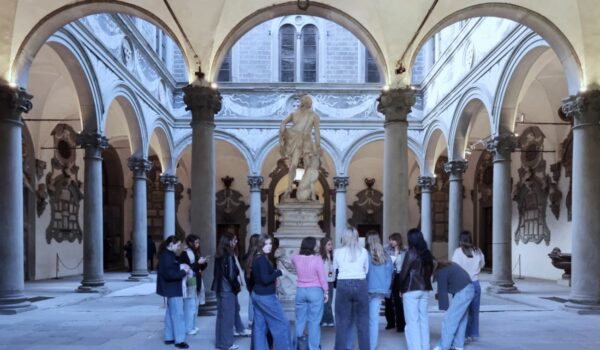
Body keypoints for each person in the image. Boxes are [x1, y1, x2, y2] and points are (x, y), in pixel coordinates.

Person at [251, 233, 291, 350]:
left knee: (260, 327)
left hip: (257, 295)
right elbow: (265, 279)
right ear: (260, 245)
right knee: (283, 323)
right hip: (265, 296)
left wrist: (273, 272)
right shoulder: (262, 259)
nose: (269, 246)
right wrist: (278, 272)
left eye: (270, 243)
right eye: (265, 244)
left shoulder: (257, 257)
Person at [397, 228, 435, 350]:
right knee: (423, 321)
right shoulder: (427, 253)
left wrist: (400, 289)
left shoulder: (411, 253)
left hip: (411, 289)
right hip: (425, 290)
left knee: (412, 323)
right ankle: (425, 347)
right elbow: (434, 265)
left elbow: (403, 273)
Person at [333, 226, 369, 350]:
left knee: (342, 322)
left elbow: (335, 269)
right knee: (363, 322)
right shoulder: (364, 251)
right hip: (360, 283)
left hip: (343, 284)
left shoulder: (337, 252)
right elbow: (366, 269)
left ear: (344, 237)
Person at [279, 95, 321, 198]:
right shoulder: (311, 115)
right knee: (302, 166)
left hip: (300, 140)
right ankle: (293, 188)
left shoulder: (298, 114)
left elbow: (283, 123)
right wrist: (317, 146)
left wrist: (282, 132)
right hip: (302, 140)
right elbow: (316, 133)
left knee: (299, 165)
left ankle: (296, 189)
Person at [292, 236, 328, 350]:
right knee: (314, 322)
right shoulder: (317, 259)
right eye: (316, 245)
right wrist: (326, 291)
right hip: (315, 291)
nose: (318, 247)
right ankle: (314, 348)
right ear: (312, 246)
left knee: (300, 321)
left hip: (300, 291)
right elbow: (322, 277)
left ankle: (298, 347)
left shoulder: (295, 258)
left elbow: (293, 259)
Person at [156, 235, 190, 349]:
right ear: (171, 244)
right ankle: (179, 340)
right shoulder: (166, 256)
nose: (179, 247)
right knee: (178, 315)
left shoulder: (169, 255)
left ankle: (169, 337)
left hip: (171, 288)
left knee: (171, 314)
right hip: (172, 288)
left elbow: (173, 267)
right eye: (178, 245)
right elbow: (169, 274)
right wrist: (183, 272)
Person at [432, 261, 475, 350]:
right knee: (461, 319)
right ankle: (458, 345)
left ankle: (444, 346)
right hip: (469, 289)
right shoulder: (449, 265)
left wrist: (445, 309)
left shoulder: (440, 272)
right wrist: (440, 295)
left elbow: (443, 293)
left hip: (463, 292)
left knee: (449, 319)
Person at [451, 230, 485, 343]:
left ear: (461, 240)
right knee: (474, 311)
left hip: (462, 283)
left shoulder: (458, 251)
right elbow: (483, 264)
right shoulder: (477, 251)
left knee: (461, 311)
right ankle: (472, 333)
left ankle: (463, 335)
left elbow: (454, 268)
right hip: (475, 283)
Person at [212, 233, 241, 350]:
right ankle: (227, 344)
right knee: (228, 319)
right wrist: (237, 286)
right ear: (228, 242)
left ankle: (219, 343)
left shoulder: (219, 254)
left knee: (221, 317)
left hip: (219, 288)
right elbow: (231, 275)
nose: (235, 242)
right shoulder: (229, 255)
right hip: (227, 290)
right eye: (234, 240)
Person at [366, 231, 393, 350]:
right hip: (380, 290)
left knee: (362, 318)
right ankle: (372, 346)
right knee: (374, 319)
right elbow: (390, 274)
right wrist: (386, 288)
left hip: (366, 289)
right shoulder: (386, 256)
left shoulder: (365, 254)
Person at [179, 234, 208, 336]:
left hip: (197, 279)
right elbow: (186, 268)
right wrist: (198, 263)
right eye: (196, 242)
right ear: (190, 243)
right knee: (190, 305)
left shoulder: (196, 252)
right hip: (190, 280)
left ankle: (192, 326)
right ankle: (188, 328)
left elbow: (199, 267)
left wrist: (203, 263)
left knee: (195, 305)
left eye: (198, 242)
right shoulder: (185, 254)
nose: (198, 244)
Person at [385, 232, 406, 332]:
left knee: (398, 301)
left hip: (399, 276)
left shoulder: (405, 250)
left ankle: (401, 324)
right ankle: (390, 322)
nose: (391, 242)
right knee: (388, 299)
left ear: (398, 240)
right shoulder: (387, 249)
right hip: (389, 276)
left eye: (393, 239)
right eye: (390, 239)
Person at [242, 234, 260, 327]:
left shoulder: (247, 255)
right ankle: (253, 320)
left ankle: (251, 320)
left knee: (251, 301)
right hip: (255, 283)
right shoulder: (258, 256)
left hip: (249, 282)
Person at [320, 237, 335, 327]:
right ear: (324, 245)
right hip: (323, 282)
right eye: (329, 244)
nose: (331, 246)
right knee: (325, 302)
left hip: (331, 281)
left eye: (331, 244)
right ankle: (326, 320)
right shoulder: (320, 257)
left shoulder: (333, 256)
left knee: (329, 302)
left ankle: (328, 320)